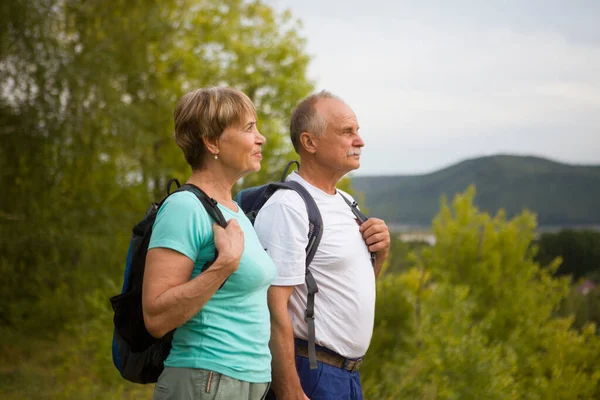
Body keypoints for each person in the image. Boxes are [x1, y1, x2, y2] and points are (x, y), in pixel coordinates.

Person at [254, 90, 391, 399]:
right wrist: (289, 390)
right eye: (347, 132)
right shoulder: (289, 206)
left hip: (347, 377)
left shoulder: (346, 203)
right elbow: (272, 306)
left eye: (357, 130)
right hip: (311, 374)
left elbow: (345, 290)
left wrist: (380, 255)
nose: (360, 140)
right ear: (310, 142)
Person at [142, 87, 276, 400]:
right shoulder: (185, 207)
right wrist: (224, 266)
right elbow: (156, 318)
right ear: (212, 142)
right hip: (206, 381)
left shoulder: (234, 209)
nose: (261, 138)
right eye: (248, 128)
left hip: (244, 382)